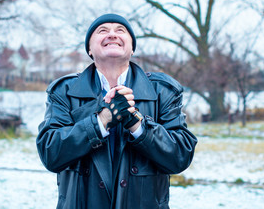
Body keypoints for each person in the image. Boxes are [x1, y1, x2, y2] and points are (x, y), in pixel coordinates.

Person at [36, 13, 197, 209]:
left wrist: (137, 124)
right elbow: (51, 153)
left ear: (132, 48)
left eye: (120, 30)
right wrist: (101, 121)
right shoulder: (64, 91)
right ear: (89, 48)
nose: (112, 34)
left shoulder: (163, 91)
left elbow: (180, 156)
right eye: (102, 31)